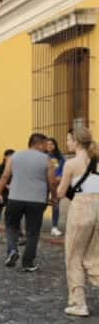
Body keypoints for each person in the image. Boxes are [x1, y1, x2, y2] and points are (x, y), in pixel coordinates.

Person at [0, 133, 56, 272]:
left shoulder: (15, 156)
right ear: (39, 144)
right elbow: (52, 181)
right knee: (33, 232)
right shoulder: (46, 159)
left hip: (15, 198)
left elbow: (5, 176)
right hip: (37, 201)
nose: (47, 147)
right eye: (45, 144)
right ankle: (28, 263)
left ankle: (12, 250)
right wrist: (54, 197)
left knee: (11, 226)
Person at [57, 127, 99, 317]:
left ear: (76, 142)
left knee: (74, 255)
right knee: (94, 255)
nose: (67, 143)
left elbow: (60, 192)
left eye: (69, 140)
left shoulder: (71, 164)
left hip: (81, 208)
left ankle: (78, 303)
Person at [46, 137, 66, 236]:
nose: (49, 146)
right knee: (41, 204)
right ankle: (36, 225)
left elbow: (64, 169)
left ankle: (54, 227)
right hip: (45, 183)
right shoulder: (43, 156)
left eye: (52, 144)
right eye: (48, 144)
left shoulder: (60, 156)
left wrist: (60, 176)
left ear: (55, 145)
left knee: (56, 205)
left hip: (56, 184)